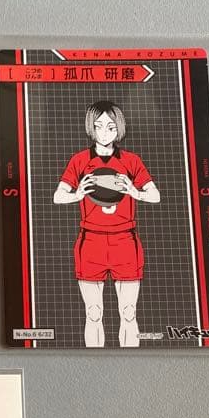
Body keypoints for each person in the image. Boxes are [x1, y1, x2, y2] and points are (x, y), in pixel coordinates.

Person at [53, 100, 160, 347]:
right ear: (91, 128)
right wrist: (77, 194)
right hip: (91, 241)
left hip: (125, 240)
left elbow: (155, 195)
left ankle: (131, 364)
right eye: (98, 126)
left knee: (129, 313)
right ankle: (94, 363)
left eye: (110, 127)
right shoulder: (80, 160)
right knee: (93, 313)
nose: (104, 132)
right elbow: (58, 196)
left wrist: (135, 191)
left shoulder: (131, 160)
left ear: (118, 128)